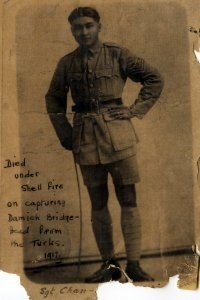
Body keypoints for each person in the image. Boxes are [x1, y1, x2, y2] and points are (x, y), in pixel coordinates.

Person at [45, 6, 164, 283]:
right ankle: (109, 264)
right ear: (71, 31)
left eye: (88, 25)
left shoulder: (117, 54)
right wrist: (65, 133)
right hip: (85, 138)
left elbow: (154, 78)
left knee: (128, 198)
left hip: (119, 136)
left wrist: (134, 110)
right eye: (77, 27)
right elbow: (53, 98)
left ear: (99, 26)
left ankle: (133, 264)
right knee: (97, 201)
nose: (83, 32)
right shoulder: (67, 63)